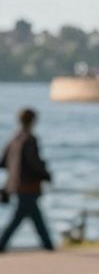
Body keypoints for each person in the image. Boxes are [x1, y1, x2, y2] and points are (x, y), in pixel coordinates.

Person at [0, 107, 56, 252]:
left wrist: (13, 173)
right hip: (28, 185)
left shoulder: (14, 139)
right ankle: (2, 244)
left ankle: (48, 245)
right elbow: (34, 163)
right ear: (33, 121)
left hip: (15, 185)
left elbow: (3, 162)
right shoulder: (29, 140)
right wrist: (46, 175)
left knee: (33, 215)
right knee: (21, 216)